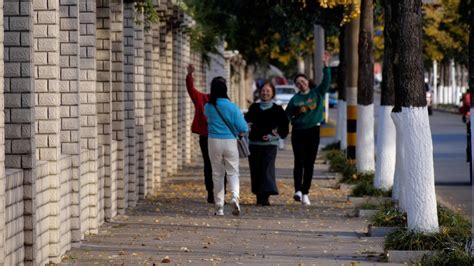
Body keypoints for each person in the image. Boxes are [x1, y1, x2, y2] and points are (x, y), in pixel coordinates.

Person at [285, 51, 331, 206]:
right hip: (298, 132)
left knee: (310, 163)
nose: (301, 84)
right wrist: (295, 116)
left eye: (302, 81)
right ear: (296, 86)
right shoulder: (295, 99)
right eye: (298, 83)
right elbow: (287, 116)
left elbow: (326, 81)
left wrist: (326, 65)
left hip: (313, 131)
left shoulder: (317, 93)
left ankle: (305, 192)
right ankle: (297, 190)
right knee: (299, 161)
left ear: (307, 81)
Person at [204, 77, 248, 216]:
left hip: (213, 141)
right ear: (226, 90)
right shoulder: (232, 106)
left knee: (217, 174)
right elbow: (243, 127)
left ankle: (219, 207)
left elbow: (206, 118)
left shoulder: (208, 106)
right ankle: (235, 197)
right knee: (233, 172)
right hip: (230, 141)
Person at [245, 81, 289, 206]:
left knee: (266, 170)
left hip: (270, 145)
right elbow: (245, 121)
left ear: (272, 93)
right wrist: (247, 127)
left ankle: (265, 196)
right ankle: (259, 196)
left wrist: (277, 134)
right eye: (263, 91)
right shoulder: (254, 108)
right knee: (256, 170)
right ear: (260, 92)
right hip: (254, 144)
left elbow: (285, 126)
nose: (265, 93)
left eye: (268, 91)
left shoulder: (277, 109)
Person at [186, 64, 215, 203]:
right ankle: (211, 192)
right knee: (209, 165)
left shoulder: (227, 104)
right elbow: (191, 90)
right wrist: (189, 76)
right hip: (206, 137)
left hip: (222, 139)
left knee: (220, 166)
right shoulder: (203, 99)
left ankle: (220, 192)